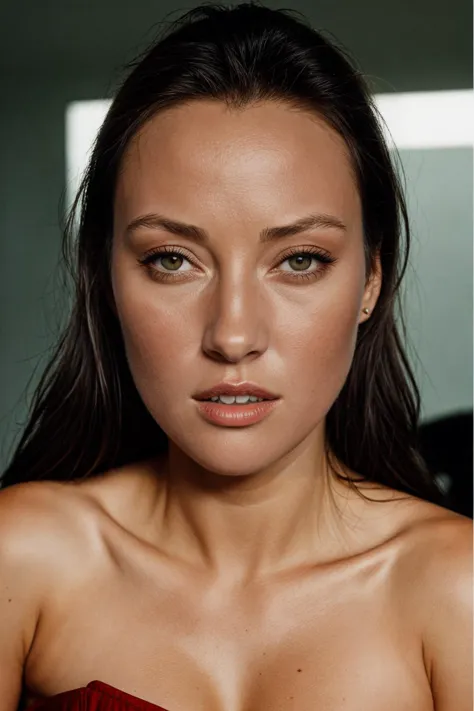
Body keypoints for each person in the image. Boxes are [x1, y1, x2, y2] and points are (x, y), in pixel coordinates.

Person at [1, 2, 472, 710]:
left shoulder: (454, 590)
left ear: (371, 280)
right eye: (171, 260)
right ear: (105, 278)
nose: (232, 333)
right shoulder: (23, 557)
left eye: (301, 260)